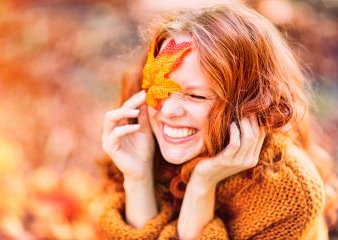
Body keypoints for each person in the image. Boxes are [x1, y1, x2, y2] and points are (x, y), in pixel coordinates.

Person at [97, 3, 337, 239]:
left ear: (249, 103)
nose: (168, 110)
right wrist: (138, 179)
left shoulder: (289, 194)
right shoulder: (143, 143)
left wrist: (202, 186)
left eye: (196, 96)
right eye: (158, 89)